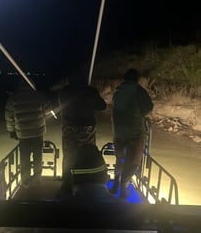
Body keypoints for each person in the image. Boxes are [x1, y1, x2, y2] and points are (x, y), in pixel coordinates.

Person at [58, 67, 107, 195]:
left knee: (68, 154)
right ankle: (86, 182)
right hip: (86, 128)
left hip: (68, 127)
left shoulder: (64, 91)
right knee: (87, 154)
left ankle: (67, 183)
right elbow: (102, 106)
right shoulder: (90, 91)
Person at [111, 68, 153, 197]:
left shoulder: (117, 92)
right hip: (135, 133)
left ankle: (116, 184)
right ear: (137, 79)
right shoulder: (139, 91)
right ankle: (124, 187)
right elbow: (148, 110)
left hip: (118, 132)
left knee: (120, 159)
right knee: (133, 161)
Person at [5, 77, 50, 187]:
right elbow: (48, 110)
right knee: (37, 156)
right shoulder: (39, 96)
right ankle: (37, 178)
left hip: (23, 133)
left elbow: (9, 116)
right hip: (38, 131)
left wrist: (11, 131)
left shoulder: (13, 98)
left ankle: (25, 181)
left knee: (24, 157)